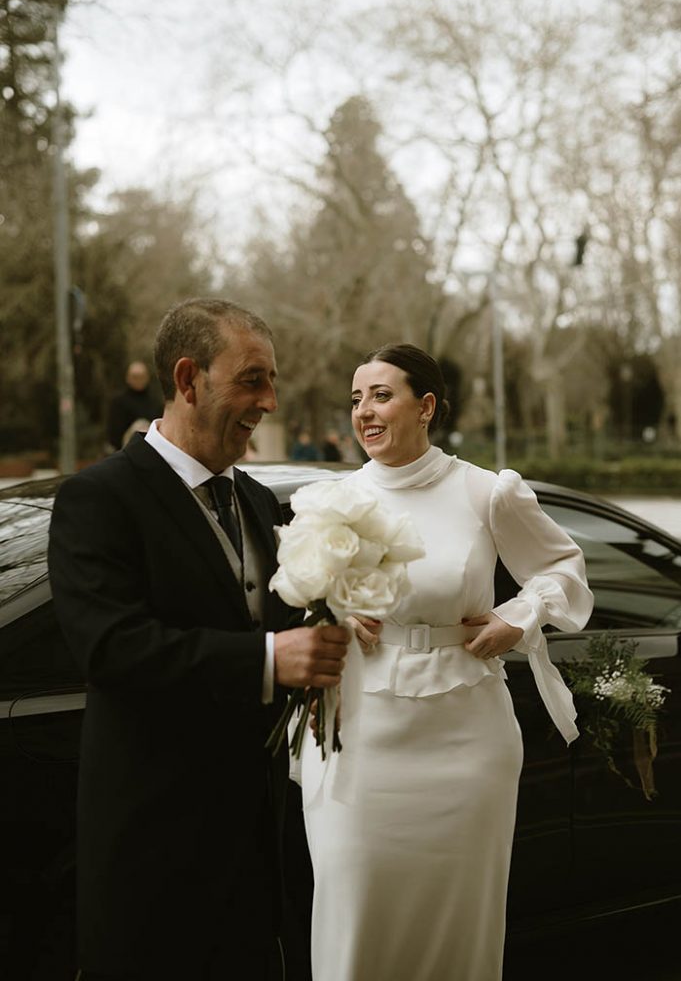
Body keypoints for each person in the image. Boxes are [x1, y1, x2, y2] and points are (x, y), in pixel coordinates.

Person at [48, 298, 351, 981]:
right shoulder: (99, 499)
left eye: (271, 381)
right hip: (153, 844)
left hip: (253, 843)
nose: (269, 401)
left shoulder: (255, 501)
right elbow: (111, 646)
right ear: (188, 380)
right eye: (252, 380)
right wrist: (271, 660)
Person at [301, 343, 593, 981]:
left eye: (382, 395)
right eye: (356, 399)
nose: (365, 412)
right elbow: (296, 604)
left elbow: (563, 568)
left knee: (460, 927)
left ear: (426, 405)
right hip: (361, 738)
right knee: (356, 910)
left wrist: (517, 618)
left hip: (466, 740)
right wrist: (332, 617)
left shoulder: (486, 492)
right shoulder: (329, 500)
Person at [106, 359, 162, 449]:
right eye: (135, 377)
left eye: (141, 376)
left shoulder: (156, 403)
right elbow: (114, 435)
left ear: (147, 377)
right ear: (127, 378)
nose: (138, 380)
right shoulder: (118, 403)